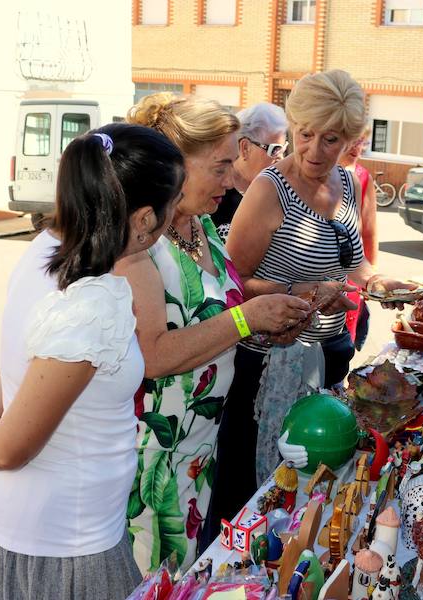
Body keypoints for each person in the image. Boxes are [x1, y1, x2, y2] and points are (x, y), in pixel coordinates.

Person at [0, 123, 185, 598]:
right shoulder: (94, 306)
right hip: (69, 548)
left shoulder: (46, 252)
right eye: (175, 201)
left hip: (32, 528)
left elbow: (19, 370)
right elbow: (6, 450)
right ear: (146, 219)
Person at [209, 69, 411, 533]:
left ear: (352, 141)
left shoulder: (345, 183)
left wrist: (378, 282)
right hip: (263, 368)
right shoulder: (268, 189)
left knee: (309, 487)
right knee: (252, 493)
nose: (315, 151)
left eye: (332, 139)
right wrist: (297, 294)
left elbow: (354, 264)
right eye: (305, 135)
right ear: (294, 126)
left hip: (325, 358)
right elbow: (230, 283)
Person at [121, 93, 310, 571]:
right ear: (176, 165)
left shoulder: (202, 225)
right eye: (221, 165)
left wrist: (268, 329)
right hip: (151, 460)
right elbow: (154, 356)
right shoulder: (141, 242)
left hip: (200, 449)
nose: (232, 180)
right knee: (152, 579)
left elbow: (214, 323)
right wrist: (248, 318)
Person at [210, 102, 289, 243]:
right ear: (245, 148)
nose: (281, 158)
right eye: (275, 149)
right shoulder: (214, 194)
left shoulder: (281, 195)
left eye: (284, 150)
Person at [338, 127, 378, 350]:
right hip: (316, 279)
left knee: (344, 344)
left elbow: (369, 233)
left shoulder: (362, 177)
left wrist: (372, 281)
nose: (357, 147)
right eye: (352, 140)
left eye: (361, 142)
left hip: (353, 276)